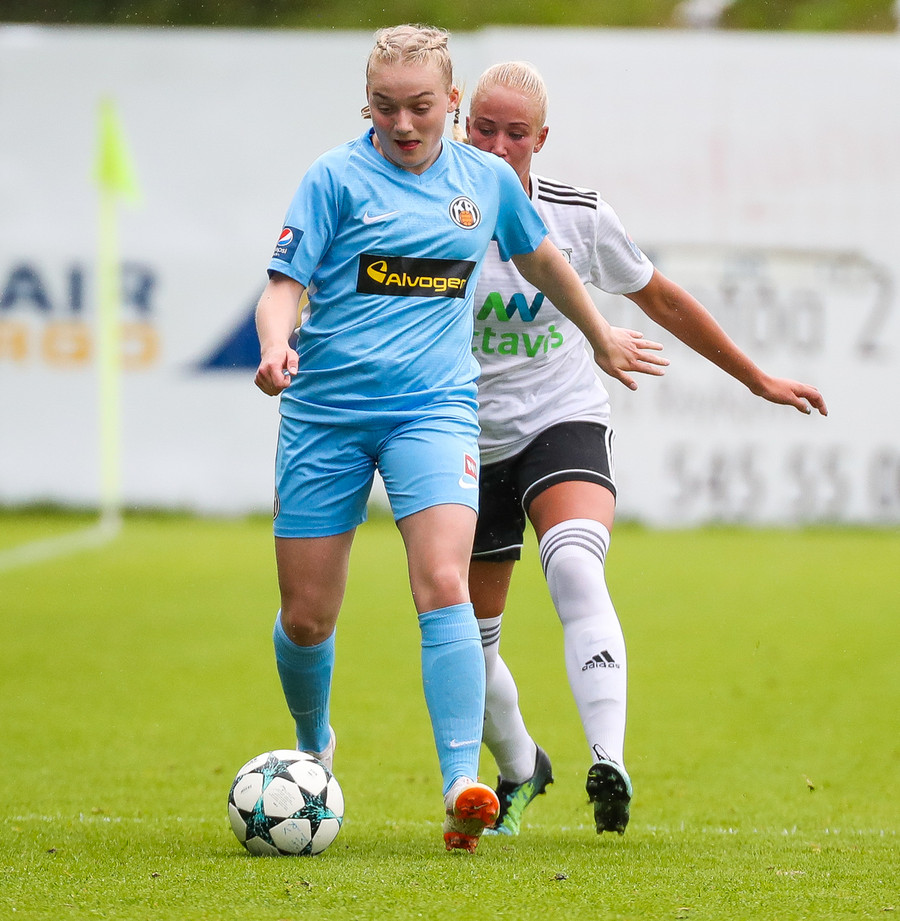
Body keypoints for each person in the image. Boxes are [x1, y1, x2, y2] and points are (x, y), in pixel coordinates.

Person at [253, 28, 667, 853]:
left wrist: (600, 336)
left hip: (435, 412)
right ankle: (313, 742)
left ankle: (460, 783)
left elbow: (545, 263)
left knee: (444, 582)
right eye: (385, 107)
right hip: (327, 414)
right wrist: (274, 345)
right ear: (367, 105)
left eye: (420, 107)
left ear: (450, 102)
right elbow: (282, 286)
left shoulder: (484, 181)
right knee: (307, 616)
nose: (403, 124)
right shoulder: (333, 178)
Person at [464, 61, 828, 837]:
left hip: (560, 418)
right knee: (467, 639)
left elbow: (659, 296)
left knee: (573, 563)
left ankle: (610, 759)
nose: (496, 146)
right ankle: (523, 764)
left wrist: (756, 377)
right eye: (483, 129)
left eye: (515, 133)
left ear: (541, 139)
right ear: (462, 124)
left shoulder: (578, 216)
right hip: (462, 435)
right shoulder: (430, 215)